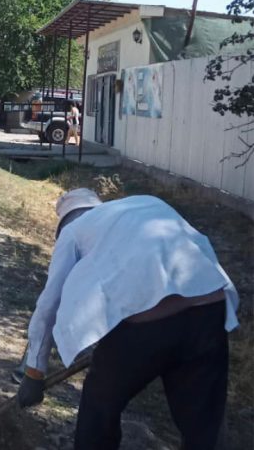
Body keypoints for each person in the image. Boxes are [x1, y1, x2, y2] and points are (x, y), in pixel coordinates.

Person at [17, 188, 239, 450]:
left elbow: (48, 305)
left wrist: (34, 372)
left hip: (148, 323)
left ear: (66, 220)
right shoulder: (146, 203)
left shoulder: (74, 231)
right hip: (209, 308)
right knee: (203, 423)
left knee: (99, 406)